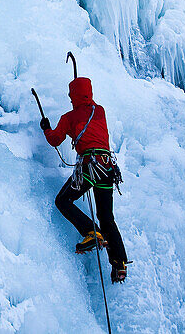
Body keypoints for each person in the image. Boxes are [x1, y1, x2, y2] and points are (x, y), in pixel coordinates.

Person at [41, 75, 129, 283]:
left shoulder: (68, 117)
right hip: (107, 167)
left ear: (74, 96)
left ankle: (91, 232)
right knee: (107, 216)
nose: (70, 99)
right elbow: (87, 112)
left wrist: (46, 128)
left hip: (90, 166)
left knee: (62, 201)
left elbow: (55, 139)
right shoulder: (99, 111)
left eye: (71, 96)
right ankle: (119, 263)